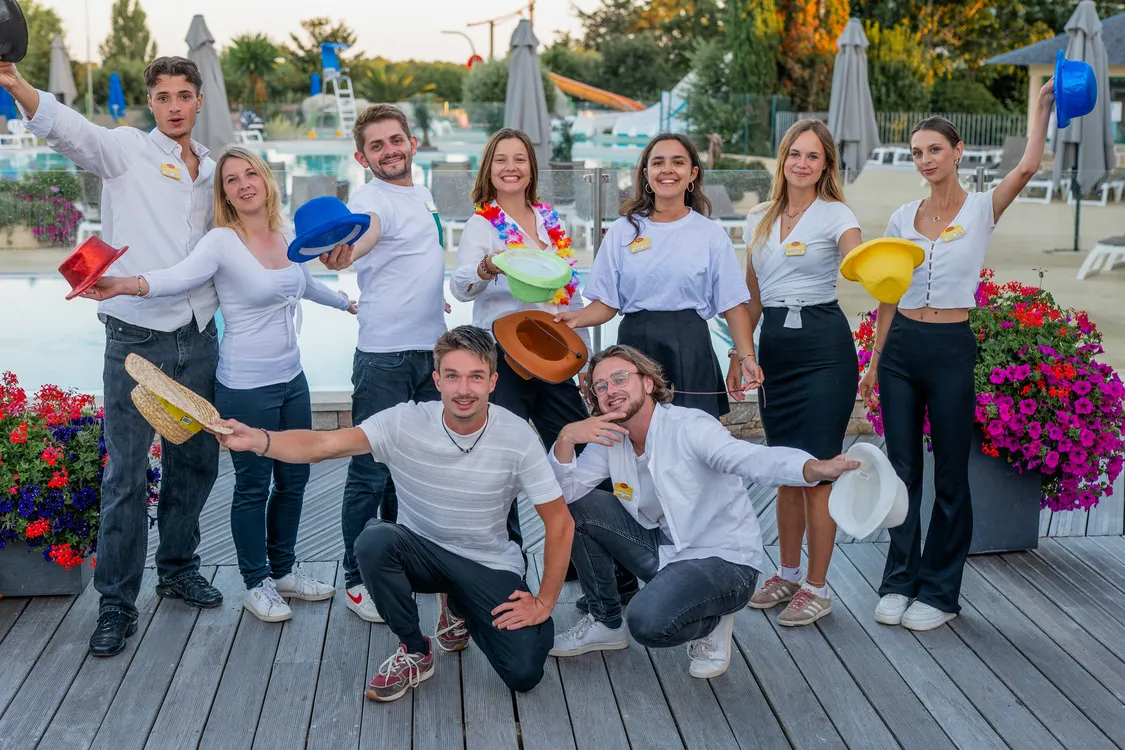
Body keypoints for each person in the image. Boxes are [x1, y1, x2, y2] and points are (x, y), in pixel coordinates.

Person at [207, 326, 573, 702]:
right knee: (374, 541)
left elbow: (560, 522)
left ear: (492, 382)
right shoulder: (404, 422)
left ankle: (458, 605)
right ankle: (415, 650)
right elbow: (323, 444)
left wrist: (544, 601)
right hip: (421, 553)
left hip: (487, 563)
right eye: (453, 376)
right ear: (437, 380)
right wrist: (258, 439)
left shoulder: (516, 436)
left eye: (476, 377)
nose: (464, 389)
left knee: (524, 671)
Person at [0, 56, 223, 656]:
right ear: (151, 103)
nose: (174, 106)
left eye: (183, 95)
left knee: (195, 461)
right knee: (125, 473)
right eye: (163, 96)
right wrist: (16, 83)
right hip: (135, 337)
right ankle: (117, 604)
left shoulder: (212, 171)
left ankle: (177, 569)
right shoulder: (126, 151)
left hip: (200, 333)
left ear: (198, 101)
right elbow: (68, 129)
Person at [83, 148, 357, 623]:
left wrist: (347, 303)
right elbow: (177, 279)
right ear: (224, 194)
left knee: (294, 480)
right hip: (246, 385)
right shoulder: (221, 242)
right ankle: (256, 582)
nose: (244, 184)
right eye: (232, 179)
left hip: (292, 379)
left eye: (251, 173)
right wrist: (125, 284)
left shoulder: (286, 235)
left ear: (266, 180)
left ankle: (283, 571)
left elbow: (303, 285)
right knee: (253, 486)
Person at [861, 81, 1055, 631]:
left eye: (935, 149)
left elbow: (1028, 166)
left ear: (957, 151)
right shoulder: (902, 217)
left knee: (951, 473)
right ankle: (899, 580)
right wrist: (874, 363)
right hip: (901, 351)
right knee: (902, 472)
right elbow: (887, 294)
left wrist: (1041, 107)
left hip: (950, 348)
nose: (925, 160)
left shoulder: (981, 209)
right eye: (917, 152)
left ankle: (941, 592)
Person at [547, 345, 856, 678]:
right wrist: (566, 439)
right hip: (667, 551)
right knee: (577, 507)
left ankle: (711, 622)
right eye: (601, 386)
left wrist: (811, 468)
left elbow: (747, 458)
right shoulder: (610, 439)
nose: (611, 390)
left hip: (724, 562)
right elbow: (563, 496)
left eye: (620, 378)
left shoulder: (688, 426)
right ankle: (606, 622)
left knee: (646, 622)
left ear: (648, 383)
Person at [316, 104, 449, 622]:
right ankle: (356, 579)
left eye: (396, 140)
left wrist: (430, 295)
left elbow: (413, 256)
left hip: (430, 352)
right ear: (362, 157)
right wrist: (346, 251)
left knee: (409, 470)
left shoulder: (422, 192)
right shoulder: (369, 199)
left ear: (412, 143)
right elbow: (366, 232)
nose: (389, 151)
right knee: (369, 471)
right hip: (385, 358)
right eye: (377, 146)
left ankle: (398, 564)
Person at [733, 120, 862, 626]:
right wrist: (740, 354)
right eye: (794, 154)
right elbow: (751, 298)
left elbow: (858, 260)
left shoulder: (836, 214)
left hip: (825, 348)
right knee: (786, 469)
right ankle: (787, 574)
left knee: (820, 471)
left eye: (813, 156)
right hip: (777, 351)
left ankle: (817, 587)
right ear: (782, 159)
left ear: (826, 165)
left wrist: (877, 266)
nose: (802, 164)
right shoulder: (758, 218)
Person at [449, 127, 592, 551]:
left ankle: (587, 555)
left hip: (553, 354)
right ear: (488, 169)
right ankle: (504, 561)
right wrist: (488, 266)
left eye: (519, 159)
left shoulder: (550, 220)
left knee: (579, 453)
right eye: (501, 159)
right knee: (501, 462)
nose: (510, 167)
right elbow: (460, 288)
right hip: (503, 359)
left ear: (531, 168)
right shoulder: (481, 224)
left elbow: (570, 291)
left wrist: (584, 356)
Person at [556, 133, 763, 419]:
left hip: (691, 346)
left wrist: (746, 358)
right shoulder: (622, 231)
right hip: (634, 347)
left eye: (677, 162)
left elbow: (733, 305)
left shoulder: (710, 234)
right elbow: (606, 304)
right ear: (646, 174)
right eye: (658, 163)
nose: (667, 170)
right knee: (635, 434)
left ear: (692, 174)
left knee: (694, 435)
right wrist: (575, 319)